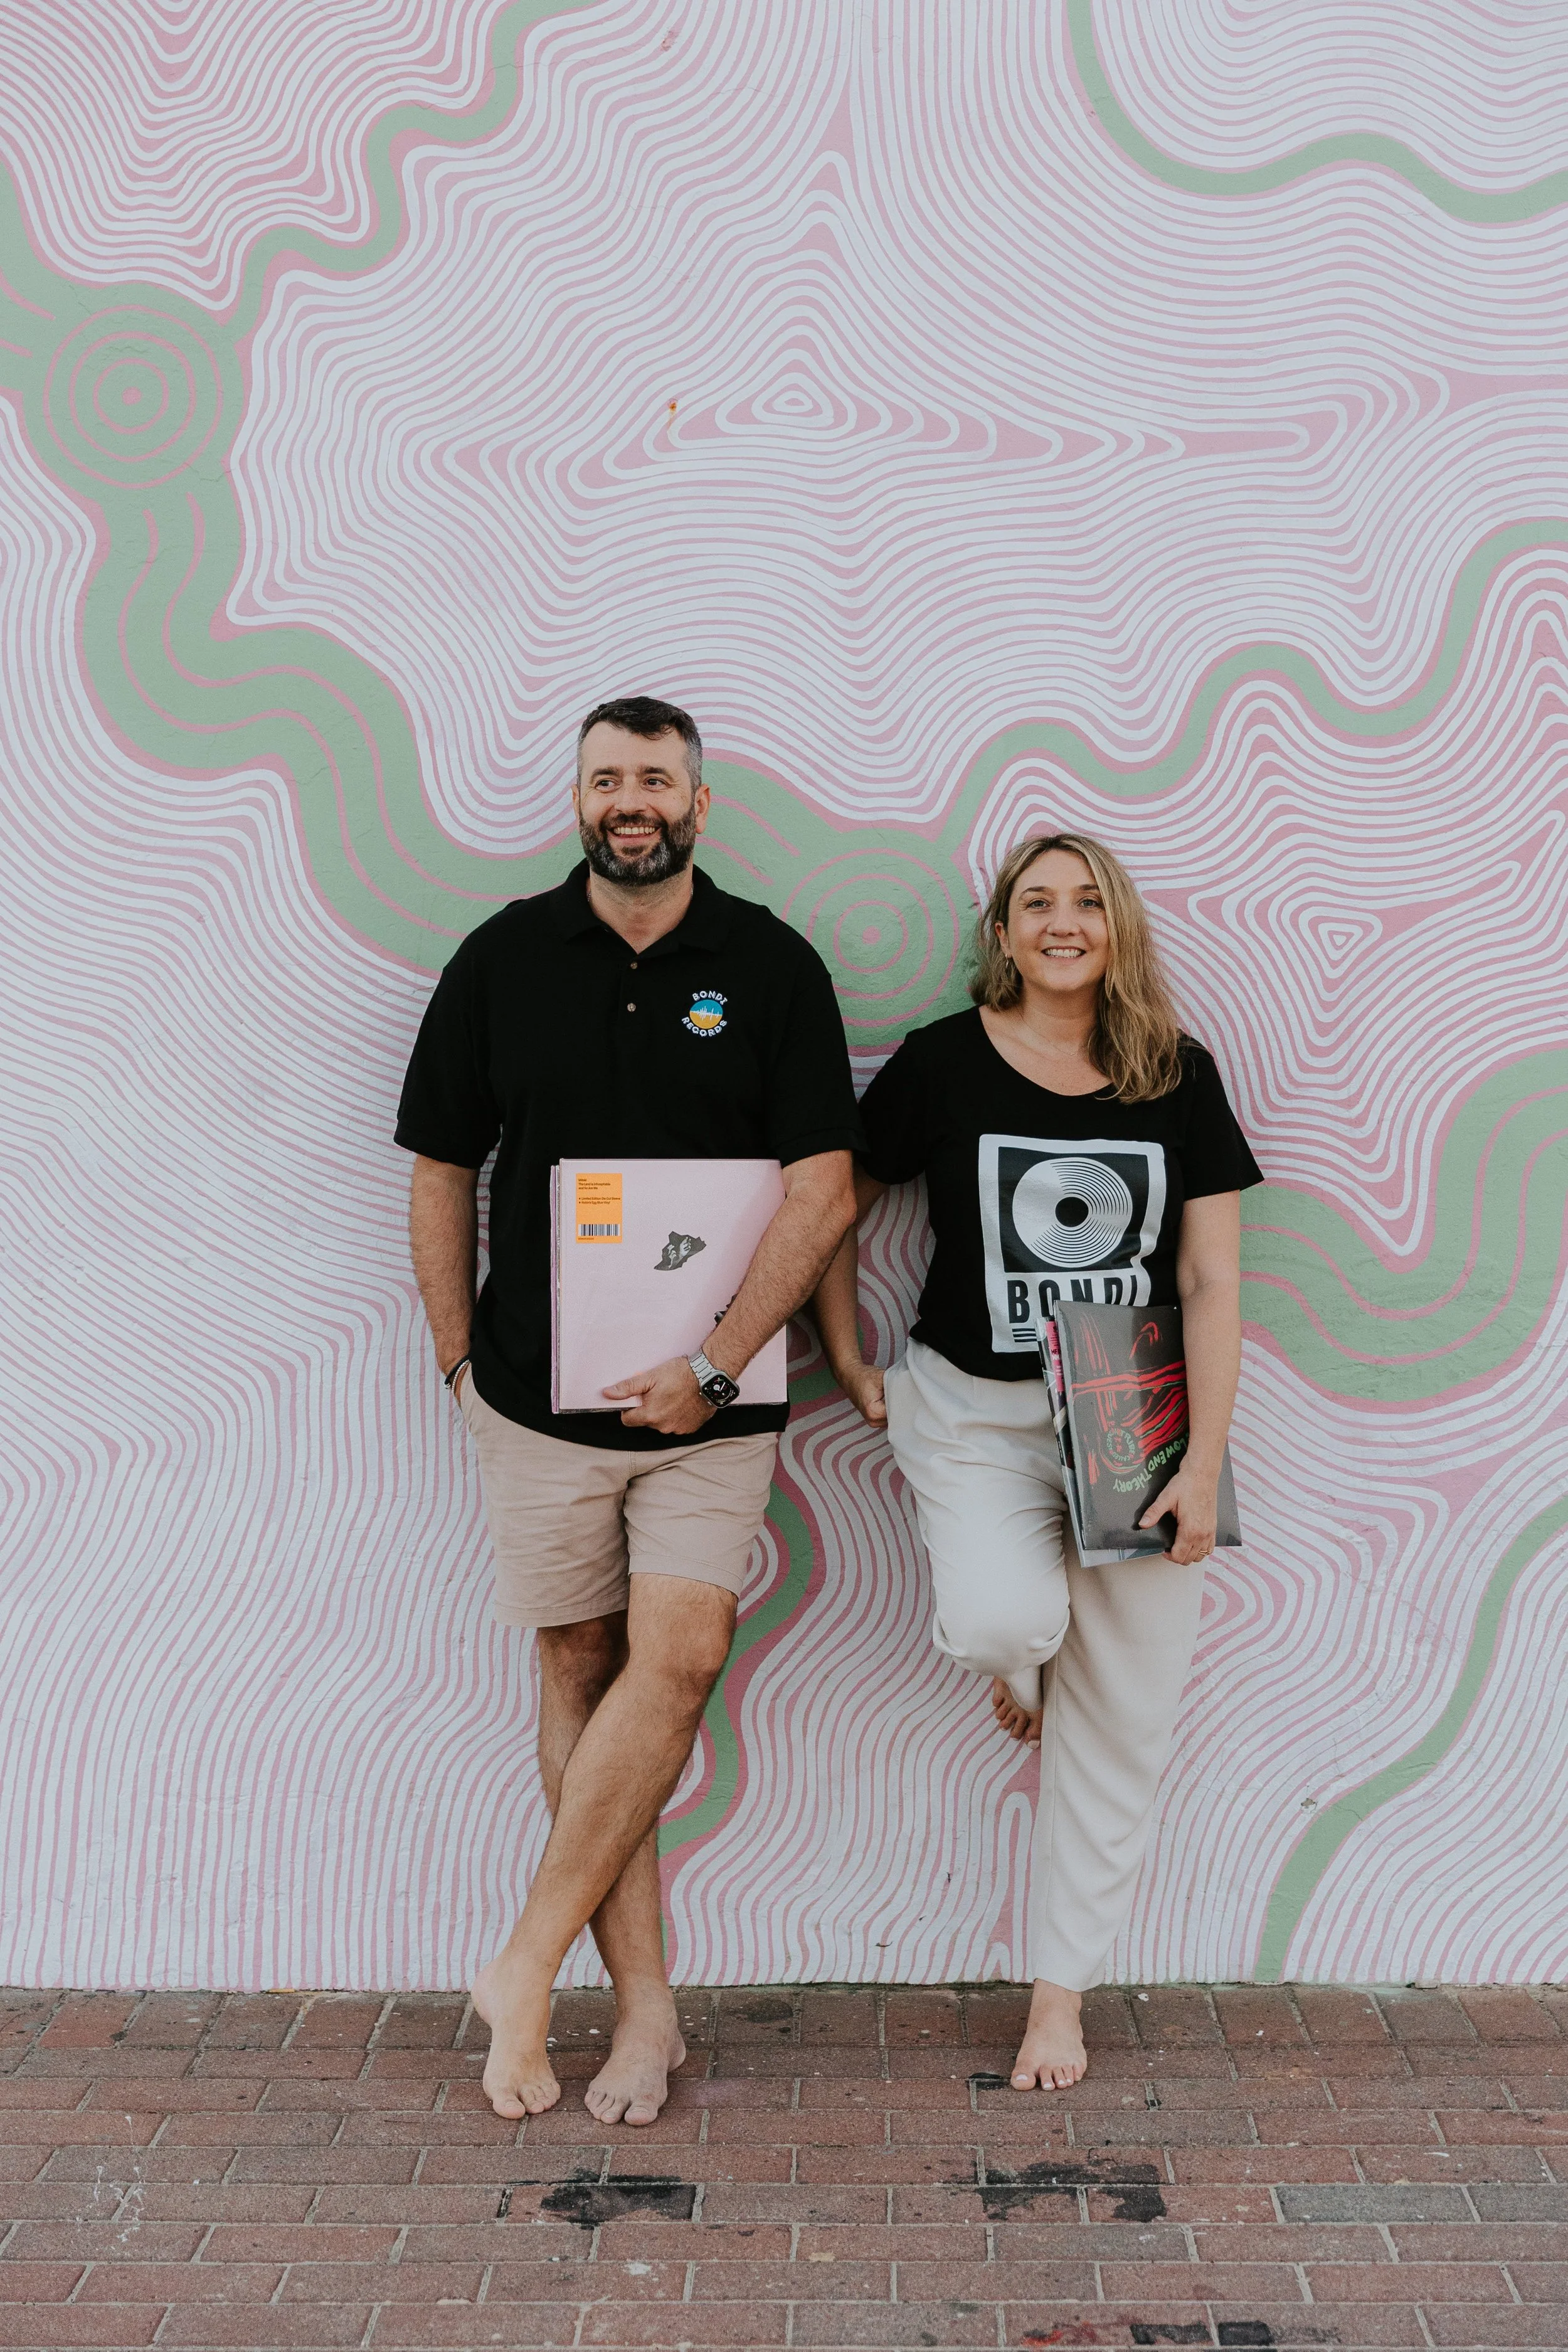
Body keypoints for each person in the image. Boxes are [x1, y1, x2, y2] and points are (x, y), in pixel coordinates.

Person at [396, 695, 859, 2125]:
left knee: (677, 1659)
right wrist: (461, 1365)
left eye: (656, 777)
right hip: (535, 1405)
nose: (631, 799)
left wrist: (716, 1362)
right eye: (607, 778)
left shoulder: (769, 963)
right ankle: (641, 2015)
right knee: (580, 1683)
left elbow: (823, 1189)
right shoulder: (500, 959)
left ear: (699, 803)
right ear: (581, 801)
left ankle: (523, 1963)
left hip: (711, 1411)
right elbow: (436, 1170)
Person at [813, 832, 1262, 2091]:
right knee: (995, 1616)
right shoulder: (942, 1063)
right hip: (973, 1410)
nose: (1060, 923)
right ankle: (1027, 1655)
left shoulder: (1175, 1074)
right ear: (1001, 932)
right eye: (1033, 903)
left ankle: (1056, 1997)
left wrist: (1200, 1465)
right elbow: (830, 1198)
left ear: (1113, 925)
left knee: (1121, 1727)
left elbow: (1212, 1278)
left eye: (1083, 902)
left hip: (1132, 1416)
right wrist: (848, 1355)